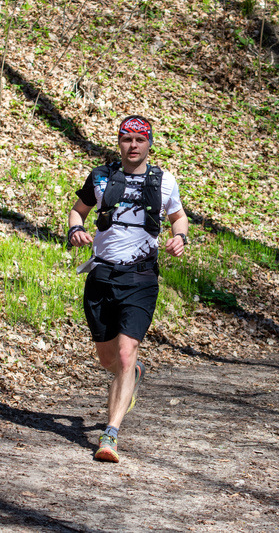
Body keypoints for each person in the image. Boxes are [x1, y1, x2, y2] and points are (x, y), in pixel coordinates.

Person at [67, 115, 188, 462]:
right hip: (102, 276)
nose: (132, 145)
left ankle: (111, 434)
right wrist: (76, 230)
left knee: (124, 352)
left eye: (139, 139)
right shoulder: (102, 177)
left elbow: (178, 217)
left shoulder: (164, 181)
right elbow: (78, 211)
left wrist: (179, 236)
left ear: (149, 143)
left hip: (141, 278)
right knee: (109, 359)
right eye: (126, 139)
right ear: (119, 142)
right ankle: (131, 375)